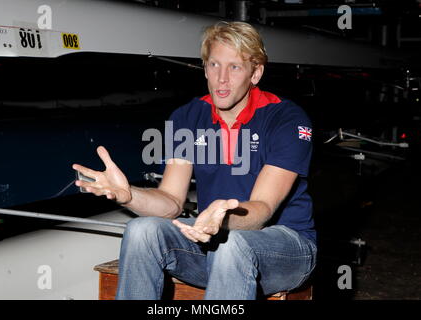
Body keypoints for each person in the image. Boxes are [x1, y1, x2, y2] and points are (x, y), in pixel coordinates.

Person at [73, 21, 317, 300]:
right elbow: (171, 202)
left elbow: (263, 209)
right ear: (205, 68)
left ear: (256, 72)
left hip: (286, 247)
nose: (221, 78)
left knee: (233, 245)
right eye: (214, 65)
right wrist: (129, 195)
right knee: (141, 230)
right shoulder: (188, 117)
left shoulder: (285, 119)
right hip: (213, 243)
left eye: (235, 67)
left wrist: (222, 221)